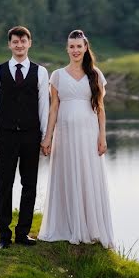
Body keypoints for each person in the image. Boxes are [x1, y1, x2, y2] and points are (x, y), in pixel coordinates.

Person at [38, 29, 114, 248]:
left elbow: (100, 108)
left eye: (79, 46)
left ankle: (90, 227)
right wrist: (48, 137)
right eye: (71, 46)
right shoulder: (57, 76)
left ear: (85, 47)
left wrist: (103, 136)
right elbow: (53, 108)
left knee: (88, 174)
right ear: (67, 49)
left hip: (89, 134)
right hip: (65, 134)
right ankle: (66, 224)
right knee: (67, 173)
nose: (75, 50)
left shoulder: (95, 75)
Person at [0, 25, 49, 250]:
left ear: (29, 43)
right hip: (6, 136)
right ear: (9, 44)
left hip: (31, 136)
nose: (19, 45)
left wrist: (46, 137)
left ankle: (23, 233)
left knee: (29, 184)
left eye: (23, 41)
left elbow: (44, 108)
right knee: (4, 184)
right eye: (15, 42)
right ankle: (4, 235)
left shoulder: (40, 72)